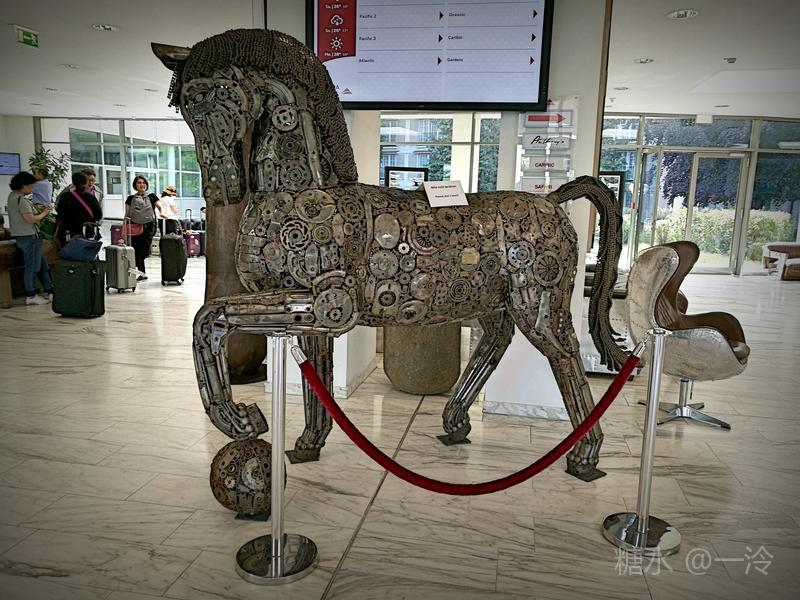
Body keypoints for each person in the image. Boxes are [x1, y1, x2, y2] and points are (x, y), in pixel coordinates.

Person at [6, 171, 54, 305]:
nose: (32, 189)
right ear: (23, 185)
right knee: (32, 266)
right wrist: (45, 213)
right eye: (31, 186)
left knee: (42, 265)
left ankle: (50, 290)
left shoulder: (12, 196)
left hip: (22, 236)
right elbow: (31, 219)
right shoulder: (21, 199)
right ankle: (31, 295)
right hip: (29, 236)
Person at [125, 175, 161, 281]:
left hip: (148, 227)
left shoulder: (152, 196)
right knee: (135, 250)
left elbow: (160, 206)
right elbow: (127, 214)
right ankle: (142, 274)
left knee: (143, 251)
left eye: (144, 182)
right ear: (135, 185)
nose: (142, 185)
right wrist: (124, 229)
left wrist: (163, 212)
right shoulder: (130, 199)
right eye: (139, 183)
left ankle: (138, 272)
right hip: (134, 227)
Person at [54, 172, 103, 245]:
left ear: (73, 183)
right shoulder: (91, 198)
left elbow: (60, 214)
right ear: (86, 183)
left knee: (69, 250)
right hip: (87, 233)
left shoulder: (65, 197)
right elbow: (98, 215)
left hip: (69, 232)